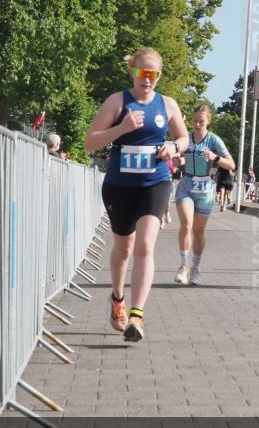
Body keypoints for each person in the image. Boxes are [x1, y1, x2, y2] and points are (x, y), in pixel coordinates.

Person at [83, 47, 188, 342]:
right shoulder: (118, 101)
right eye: (142, 73)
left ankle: (137, 317)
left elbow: (183, 137)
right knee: (124, 249)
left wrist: (173, 148)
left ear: (159, 76)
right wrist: (122, 128)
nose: (147, 79)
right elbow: (90, 143)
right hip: (119, 186)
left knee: (144, 245)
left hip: (155, 181)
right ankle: (117, 298)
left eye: (153, 74)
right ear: (132, 72)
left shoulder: (167, 105)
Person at [173, 105, 235, 285]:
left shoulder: (214, 140)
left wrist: (215, 158)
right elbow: (178, 156)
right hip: (186, 185)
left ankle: (196, 269)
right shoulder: (186, 139)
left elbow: (231, 164)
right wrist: (177, 160)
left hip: (205, 189)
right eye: (194, 121)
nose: (197, 124)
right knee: (186, 225)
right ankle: (183, 267)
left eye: (201, 121)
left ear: (209, 121)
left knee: (198, 231)